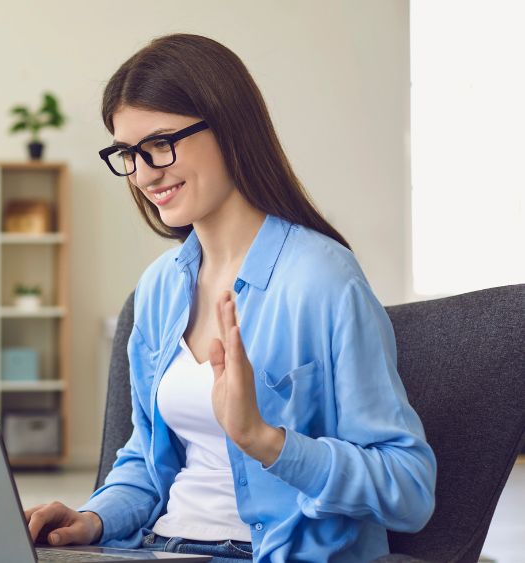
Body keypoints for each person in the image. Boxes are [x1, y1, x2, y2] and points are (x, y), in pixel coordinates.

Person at [25, 33, 436, 563]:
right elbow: (148, 466)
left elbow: (409, 489)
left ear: (229, 127)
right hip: (156, 547)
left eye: (160, 143)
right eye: (128, 153)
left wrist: (266, 441)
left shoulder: (322, 279)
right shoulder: (157, 288)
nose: (145, 172)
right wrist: (93, 519)